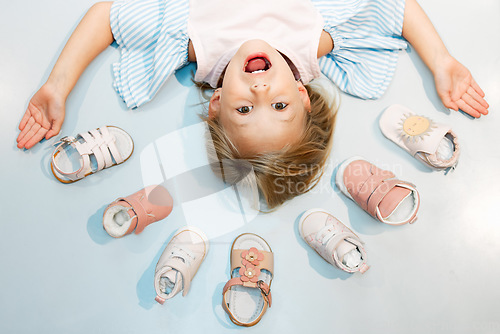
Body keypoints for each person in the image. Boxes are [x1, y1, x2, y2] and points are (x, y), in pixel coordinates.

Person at [16, 0, 489, 209]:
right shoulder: (314, 42)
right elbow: (394, 9)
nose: (261, 93)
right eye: (280, 106)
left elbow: (110, 18)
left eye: (245, 111)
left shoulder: (192, 46)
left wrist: (58, 86)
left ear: (216, 104)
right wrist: (441, 60)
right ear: (302, 94)